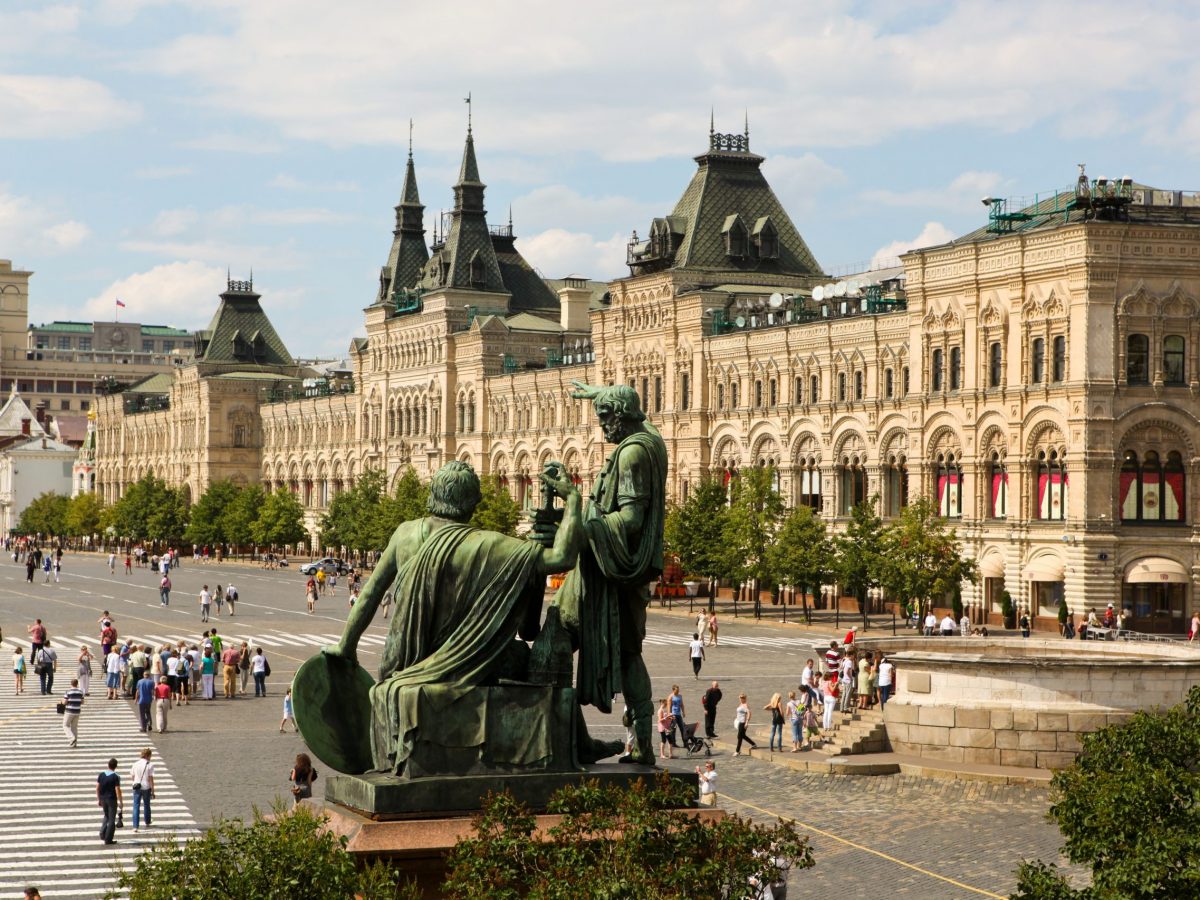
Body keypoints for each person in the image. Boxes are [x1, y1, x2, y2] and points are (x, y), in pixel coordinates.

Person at [324, 460, 585, 774]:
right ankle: (571, 745)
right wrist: (572, 501)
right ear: (474, 503)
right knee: (536, 662)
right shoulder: (490, 544)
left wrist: (345, 647)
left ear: (433, 496)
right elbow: (562, 558)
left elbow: (369, 596)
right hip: (471, 664)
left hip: (407, 662)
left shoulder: (405, 533)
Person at [97, 757, 123, 845]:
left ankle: (102, 832)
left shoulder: (101, 775)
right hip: (112, 799)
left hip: (103, 798)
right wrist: (120, 801)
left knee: (106, 815)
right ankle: (108, 839)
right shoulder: (115, 776)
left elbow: (97, 787)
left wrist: (99, 799)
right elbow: (117, 789)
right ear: (116, 766)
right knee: (112, 819)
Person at [130, 747, 155, 832]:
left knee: (136, 805)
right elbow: (150, 779)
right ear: (148, 755)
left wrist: (135, 783)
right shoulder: (150, 765)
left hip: (137, 787)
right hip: (146, 787)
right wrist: (153, 791)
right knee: (146, 805)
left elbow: (132, 776)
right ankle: (147, 821)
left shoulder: (135, 764)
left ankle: (135, 826)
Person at [62, 677, 84, 747]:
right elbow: (82, 702)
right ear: (77, 684)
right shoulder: (80, 692)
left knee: (65, 725)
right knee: (74, 727)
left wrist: (62, 702)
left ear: (71, 684)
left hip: (69, 711)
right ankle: (74, 744)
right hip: (77, 711)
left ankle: (72, 738)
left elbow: (65, 702)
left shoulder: (68, 691)